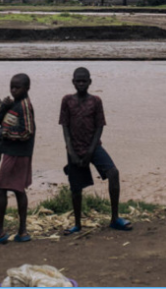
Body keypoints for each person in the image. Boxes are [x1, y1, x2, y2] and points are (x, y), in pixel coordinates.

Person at [59, 67, 132, 235]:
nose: (81, 83)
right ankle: (77, 224)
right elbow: (65, 127)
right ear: (73, 82)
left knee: (113, 173)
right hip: (74, 148)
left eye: (84, 81)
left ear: (90, 82)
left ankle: (114, 218)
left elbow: (99, 126)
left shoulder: (96, 101)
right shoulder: (67, 101)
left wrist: (91, 150)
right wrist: (71, 152)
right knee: (76, 188)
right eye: (78, 81)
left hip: (94, 146)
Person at [0, 74, 36, 246]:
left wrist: (6, 134)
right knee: (18, 189)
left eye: (18, 87)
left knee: (0, 188)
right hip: (12, 151)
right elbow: (1, 121)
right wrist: (4, 107)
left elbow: (27, 132)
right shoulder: (14, 104)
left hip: (18, 152)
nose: (14, 90)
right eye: (12, 87)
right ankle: (22, 232)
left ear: (27, 88)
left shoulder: (25, 106)